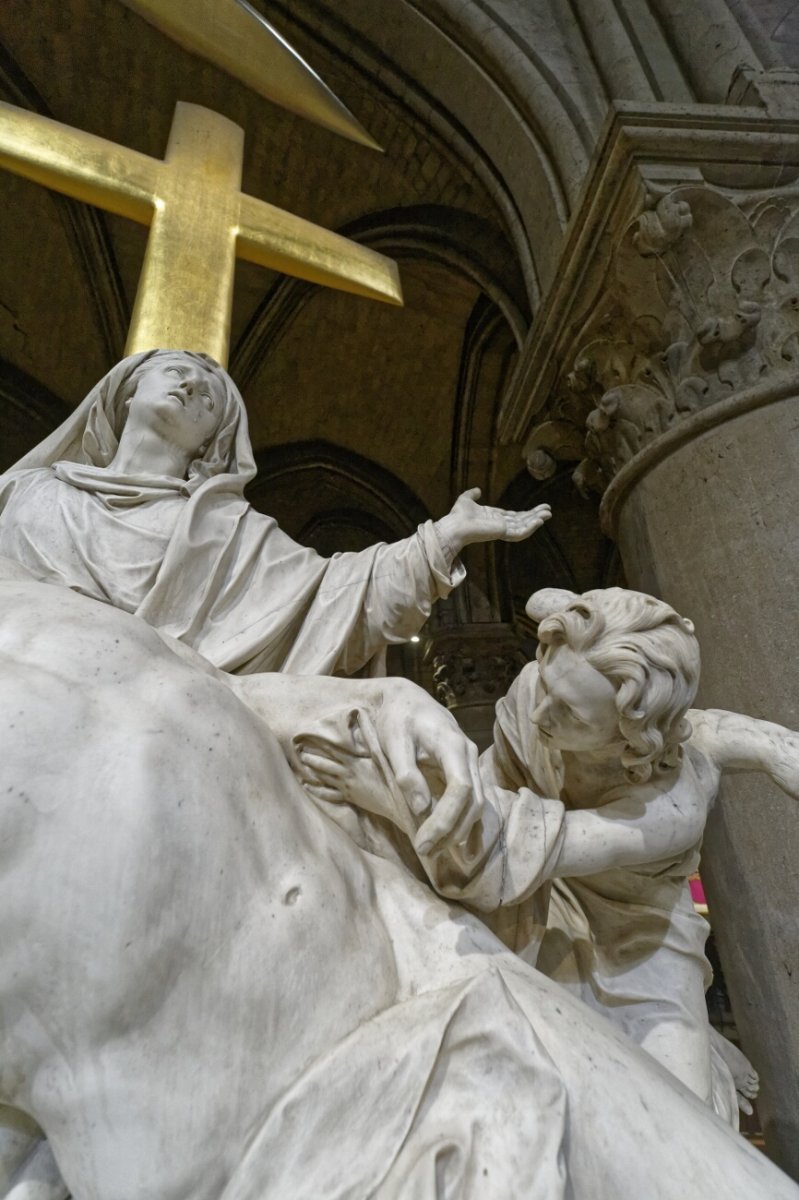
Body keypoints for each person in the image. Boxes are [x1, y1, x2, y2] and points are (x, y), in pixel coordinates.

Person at [2, 569, 798, 1199]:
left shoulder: (667, 807)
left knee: (676, 1126)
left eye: (570, 717)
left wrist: (390, 785)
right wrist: (763, 743)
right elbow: (701, 731)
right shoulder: (544, 693)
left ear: (632, 738)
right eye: (546, 688)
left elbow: (505, 857)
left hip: (628, 937)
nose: (542, 714)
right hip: (506, 862)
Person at [0, 349, 550, 676]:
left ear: (212, 443)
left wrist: (445, 535)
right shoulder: (25, 497)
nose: (190, 384)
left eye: (210, 398)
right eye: (172, 372)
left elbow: (336, 596)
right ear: (125, 392)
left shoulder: (228, 534)